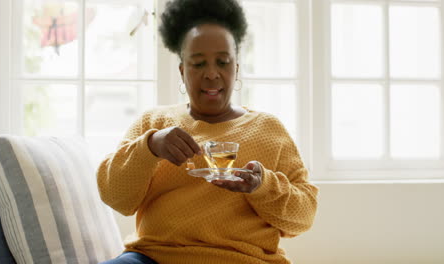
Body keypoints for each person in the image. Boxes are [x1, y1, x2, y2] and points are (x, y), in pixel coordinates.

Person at [97, 0, 318, 263]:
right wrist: (151, 147)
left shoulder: (269, 130)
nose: (211, 74)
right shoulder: (153, 122)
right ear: (182, 71)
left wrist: (262, 186)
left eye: (222, 62)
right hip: (154, 257)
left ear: (236, 69)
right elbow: (114, 196)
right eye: (198, 64)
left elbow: (303, 218)